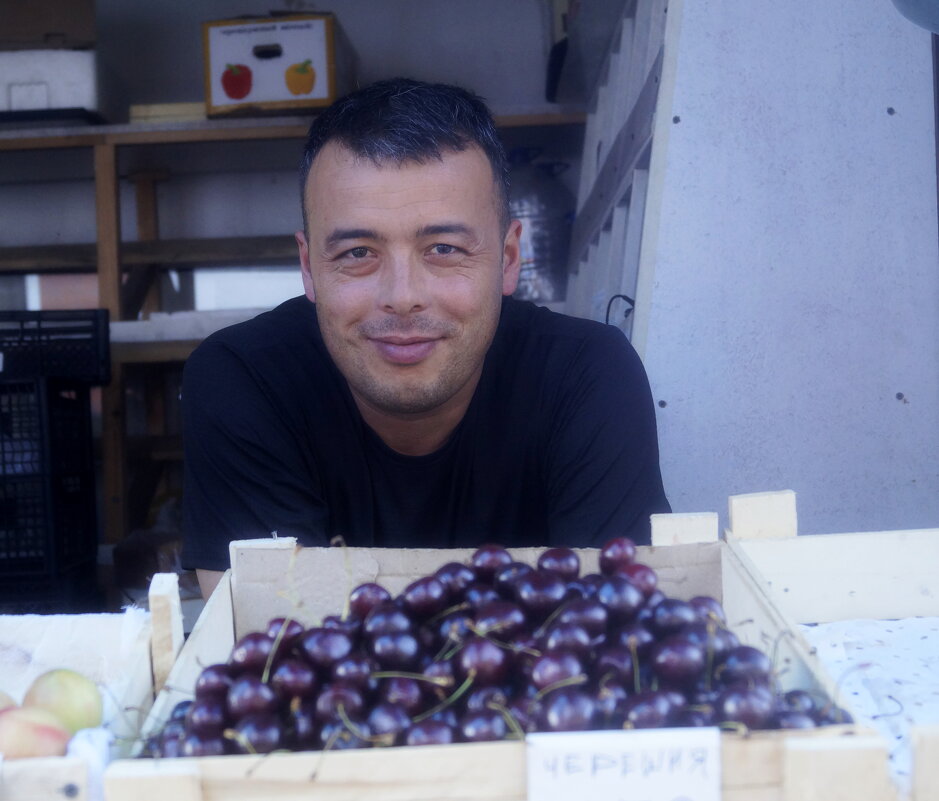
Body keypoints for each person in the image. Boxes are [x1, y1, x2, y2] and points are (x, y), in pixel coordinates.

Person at [181, 78, 670, 599]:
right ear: (308, 266)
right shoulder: (245, 378)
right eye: (357, 253)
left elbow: (617, 628)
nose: (403, 296)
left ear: (507, 261)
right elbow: (267, 632)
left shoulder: (587, 374)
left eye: (443, 249)